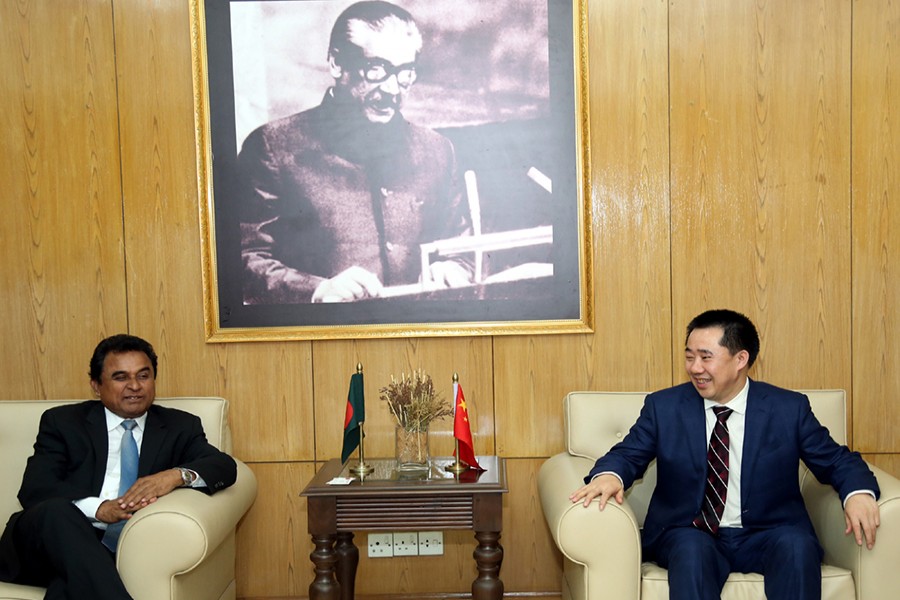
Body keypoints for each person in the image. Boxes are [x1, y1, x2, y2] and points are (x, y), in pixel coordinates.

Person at [569, 309, 881, 600]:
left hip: (769, 532)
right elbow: (629, 453)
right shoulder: (664, 407)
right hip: (690, 531)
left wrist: (856, 493)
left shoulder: (788, 409)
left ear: (740, 359)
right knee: (691, 552)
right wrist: (609, 475)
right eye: (689, 356)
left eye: (706, 357)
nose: (695, 368)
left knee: (797, 547)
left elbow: (837, 459)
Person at [238, 0, 473, 304]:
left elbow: (463, 246)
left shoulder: (437, 150)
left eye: (405, 72)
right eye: (377, 69)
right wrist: (317, 290)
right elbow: (244, 259)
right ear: (337, 64)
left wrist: (453, 267)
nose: (392, 89)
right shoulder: (272, 146)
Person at [0, 334, 237, 599]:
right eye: (121, 377)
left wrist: (175, 476)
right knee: (58, 511)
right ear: (96, 385)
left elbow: (223, 466)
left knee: (66, 588)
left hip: (111, 552)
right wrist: (99, 509)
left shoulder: (179, 426)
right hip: (43, 544)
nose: (134, 386)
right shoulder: (63, 422)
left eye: (143, 376)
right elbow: (35, 489)